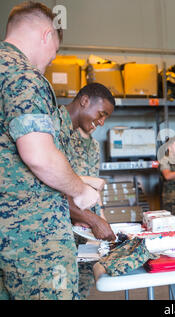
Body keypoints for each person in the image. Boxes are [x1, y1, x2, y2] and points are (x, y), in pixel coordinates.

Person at [0, 2, 100, 300]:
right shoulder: (23, 77)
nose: (50, 61)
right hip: (32, 241)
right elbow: (39, 155)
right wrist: (80, 189)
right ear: (46, 35)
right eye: (54, 52)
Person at [56, 83, 116, 299]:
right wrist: (92, 219)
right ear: (84, 101)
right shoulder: (53, 127)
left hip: (77, 218)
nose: (101, 122)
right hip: (53, 226)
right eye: (101, 114)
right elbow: (50, 178)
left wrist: (97, 216)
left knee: (79, 282)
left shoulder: (84, 139)